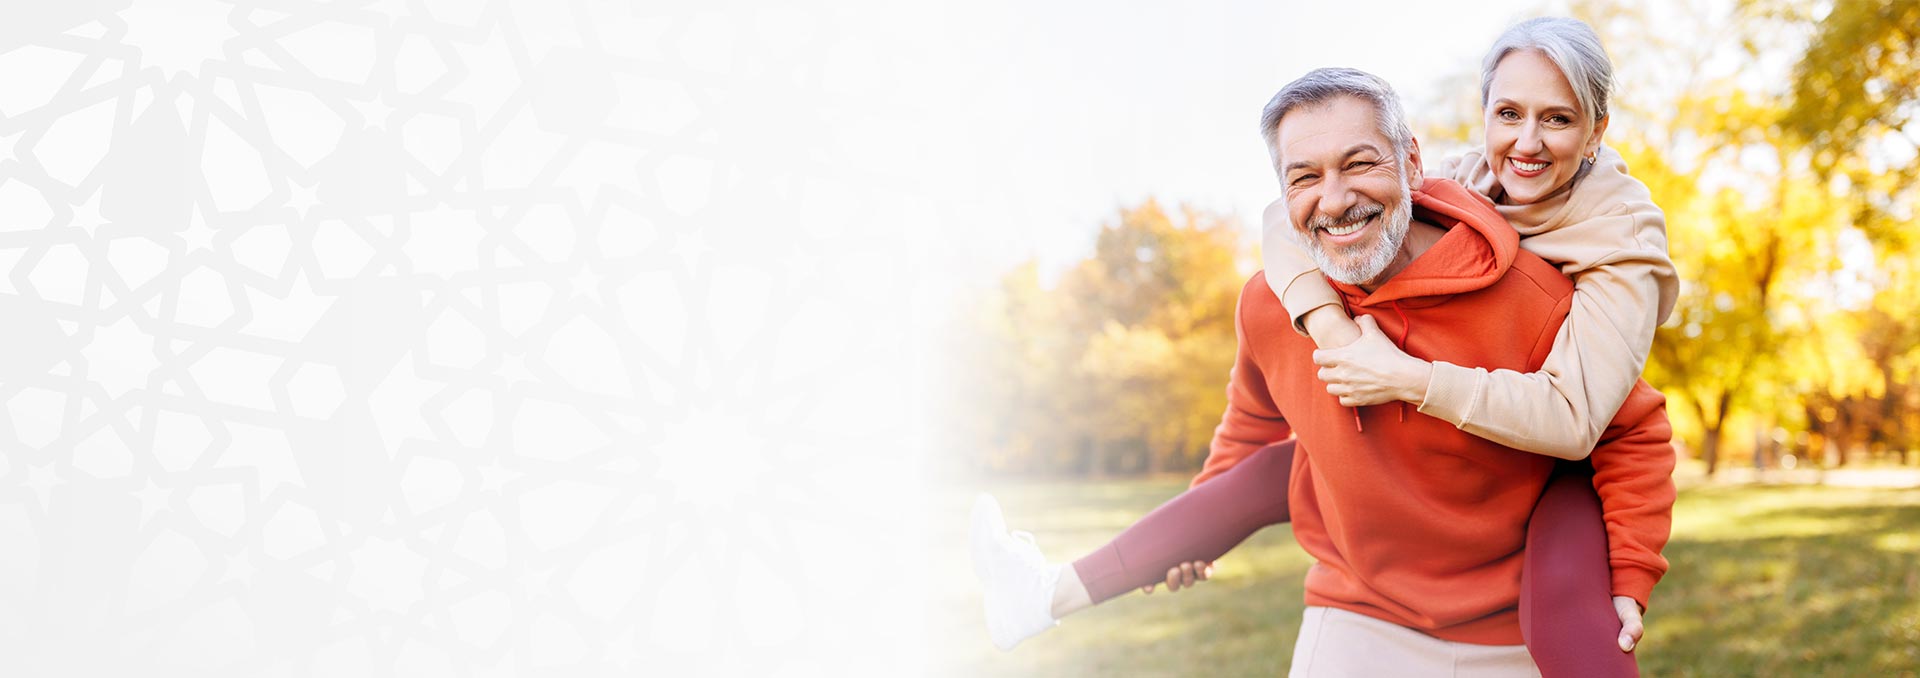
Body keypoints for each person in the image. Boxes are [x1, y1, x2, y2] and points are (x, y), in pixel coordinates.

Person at [971, 61, 1676, 676]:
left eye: (1360, 163)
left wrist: (1631, 572)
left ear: (1411, 160)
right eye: (1305, 177)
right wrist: (1194, 529)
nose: (1334, 199)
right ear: (1283, 194)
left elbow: (1630, 431)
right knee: (1286, 467)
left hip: (1513, 626)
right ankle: (1044, 597)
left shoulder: (1534, 297)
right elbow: (1253, 417)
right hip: (1359, 613)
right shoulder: (1274, 302)